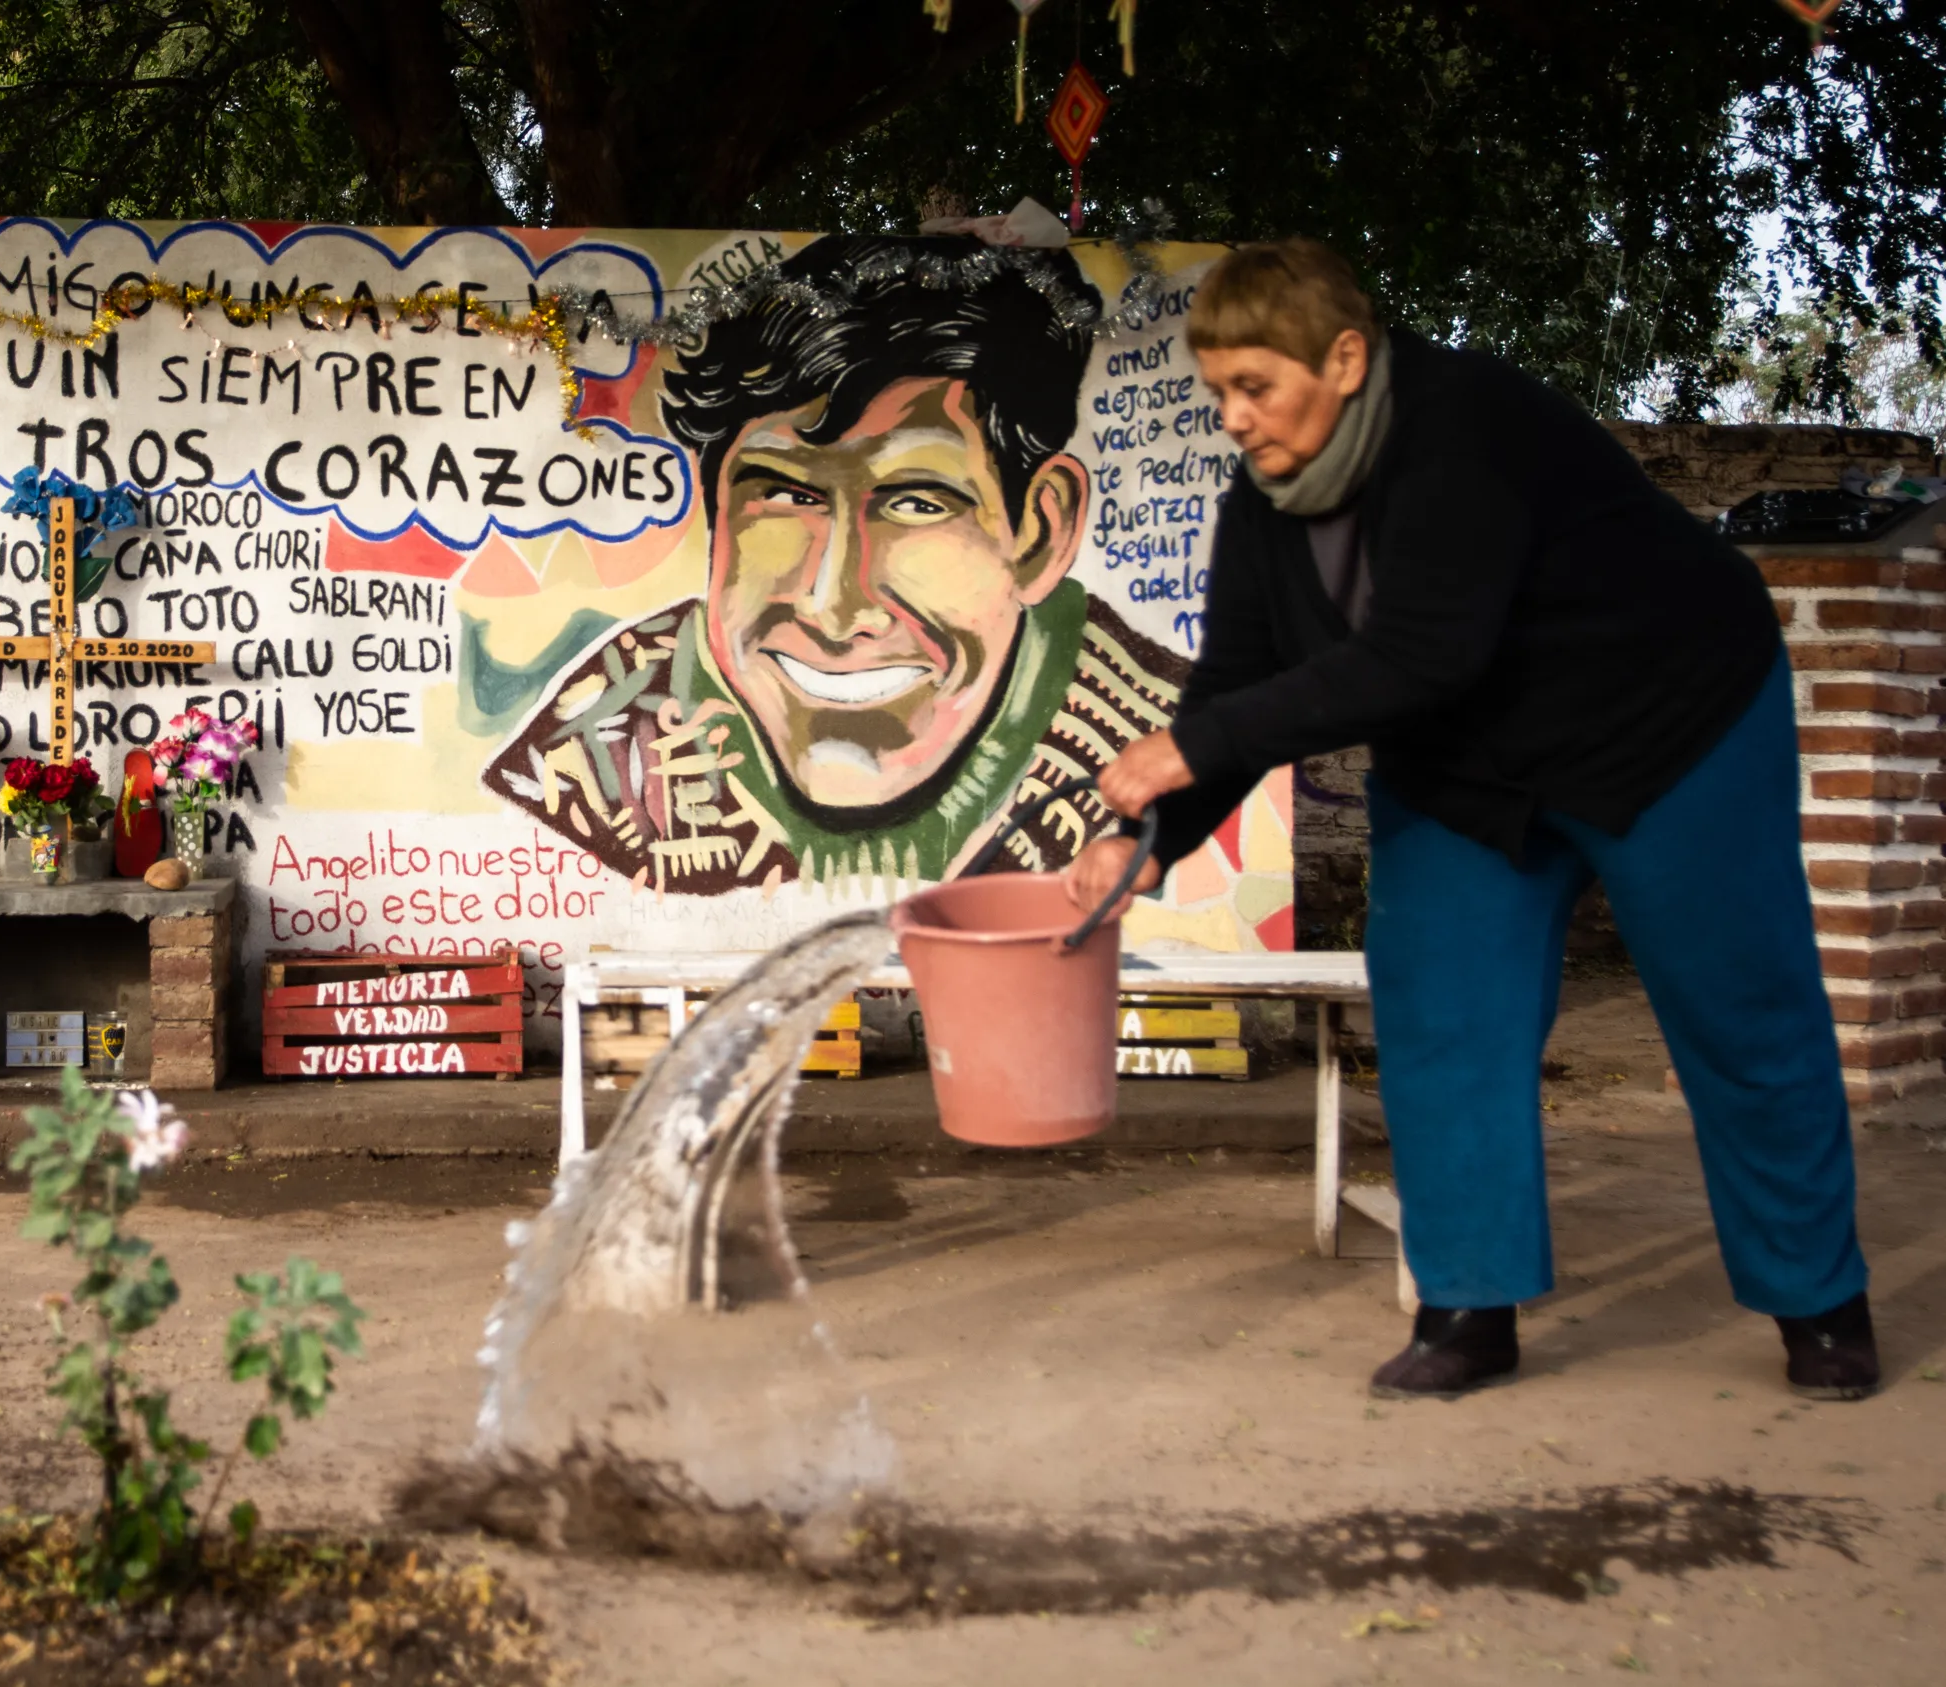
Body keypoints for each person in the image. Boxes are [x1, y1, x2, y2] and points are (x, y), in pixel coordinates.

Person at [1071, 239, 1875, 1401]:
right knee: (1442, 1008)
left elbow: (1427, 650)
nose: (1234, 418)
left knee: (1742, 1010)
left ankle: (1818, 1301)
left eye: (1257, 387)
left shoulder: (1465, 425)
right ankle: (1467, 1308)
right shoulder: (1263, 503)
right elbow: (1237, 686)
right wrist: (1152, 841)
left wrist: (1192, 748)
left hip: (1665, 723)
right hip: (1467, 768)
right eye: (1219, 393)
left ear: (1344, 358)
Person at [483, 233, 1189, 893]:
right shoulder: (586, 766)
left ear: (1040, 531)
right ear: (717, 523)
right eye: (787, 496)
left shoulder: (1175, 752)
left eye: (916, 503)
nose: (833, 607)